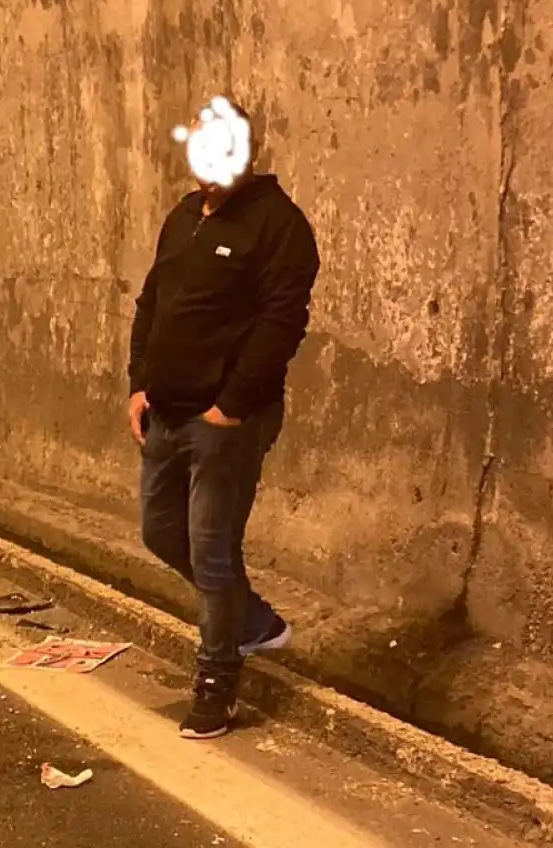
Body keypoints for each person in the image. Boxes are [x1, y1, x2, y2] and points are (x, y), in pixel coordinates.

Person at [127, 95, 321, 740]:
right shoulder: (185, 216)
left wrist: (228, 408)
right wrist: (139, 385)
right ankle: (255, 624)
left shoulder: (279, 225)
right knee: (160, 534)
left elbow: (281, 324)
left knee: (211, 552)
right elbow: (152, 300)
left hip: (226, 421)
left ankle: (217, 681)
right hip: (166, 410)